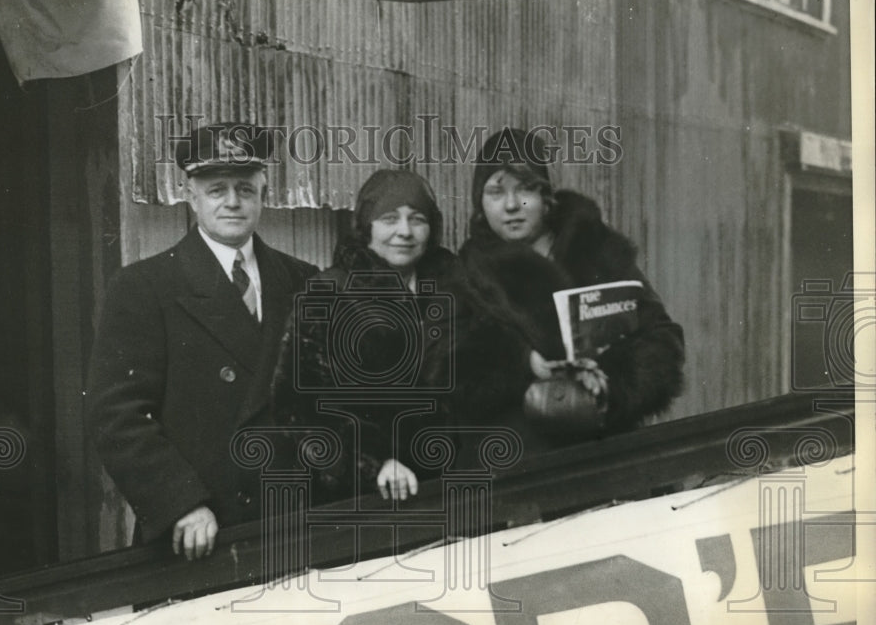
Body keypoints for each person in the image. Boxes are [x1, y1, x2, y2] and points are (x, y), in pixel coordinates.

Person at [86, 122, 318, 560]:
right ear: (191, 195)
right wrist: (181, 503)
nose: (232, 202)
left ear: (264, 194)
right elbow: (116, 415)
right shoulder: (144, 286)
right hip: (200, 535)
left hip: (294, 528)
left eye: (245, 189)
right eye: (216, 190)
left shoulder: (305, 282)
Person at [454, 127, 684, 447]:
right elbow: (454, 367)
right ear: (480, 204)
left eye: (525, 190)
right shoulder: (468, 272)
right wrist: (524, 364)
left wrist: (610, 385)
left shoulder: (595, 250)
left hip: (608, 444)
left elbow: (661, 336)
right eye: (496, 192)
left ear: (546, 198)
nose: (511, 205)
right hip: (522, 456)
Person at [271, 169, 457, 502]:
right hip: (366, 496)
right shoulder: (328, 293)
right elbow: (298, 408)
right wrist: (372, 466)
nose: (404, 231)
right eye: (389, 218)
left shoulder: (454, 287)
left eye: (417, 219)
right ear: (366, 226)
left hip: (448, 484)